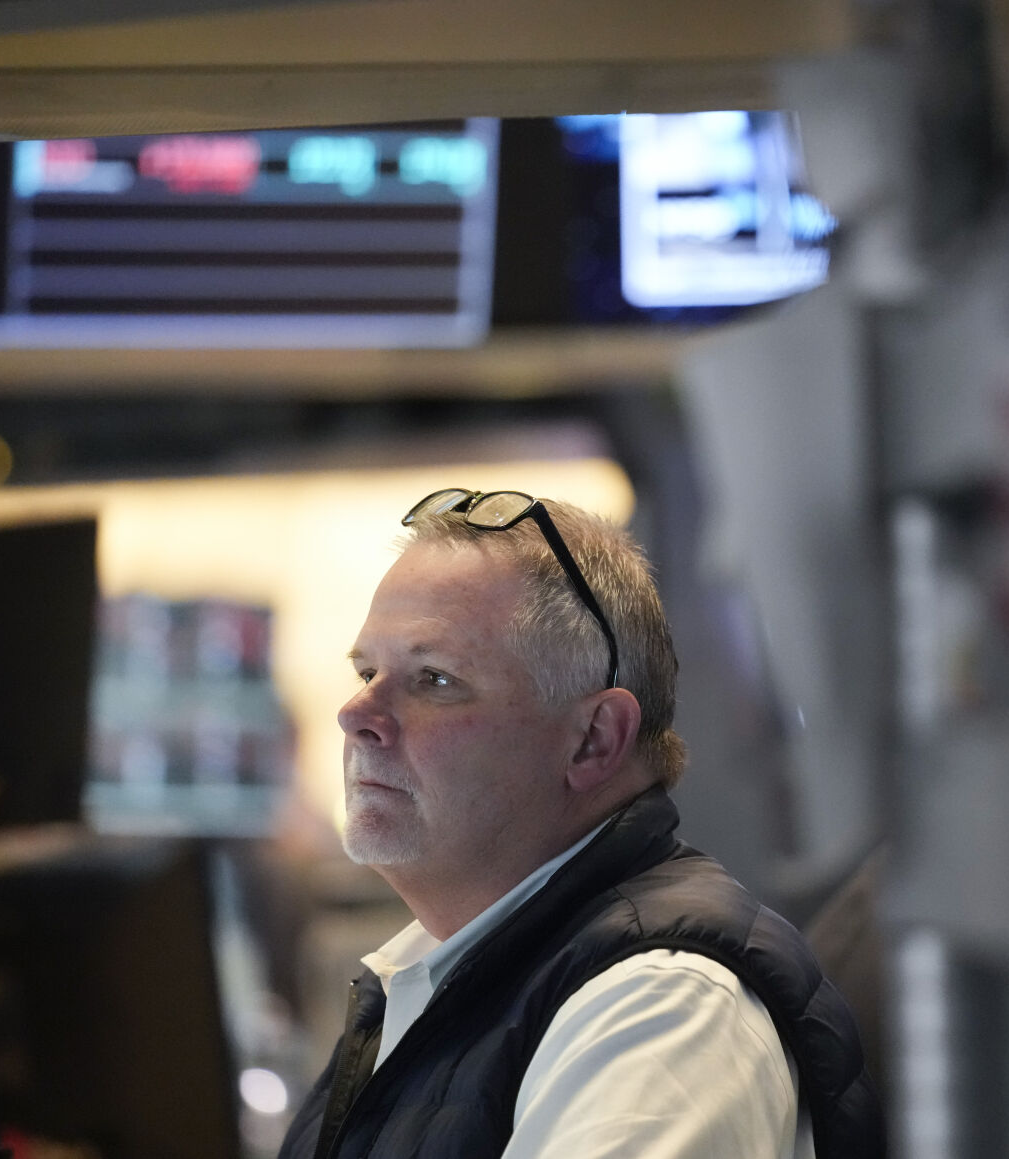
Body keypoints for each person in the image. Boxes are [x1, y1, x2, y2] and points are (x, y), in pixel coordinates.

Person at [279, 489, 882, 1159]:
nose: (356, 712)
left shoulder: (663, 1010)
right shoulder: (437, 976)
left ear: (593, 738)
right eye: (367, 670)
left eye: (434, 679)